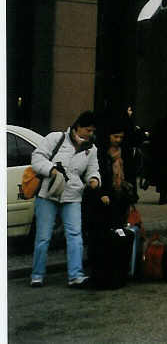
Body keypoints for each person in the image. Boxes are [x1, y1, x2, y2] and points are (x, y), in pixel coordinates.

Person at [30, 110, 101, 288]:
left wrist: (94, 179)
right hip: (48, 193)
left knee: (75, 235)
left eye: (93, 131)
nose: (91, 134)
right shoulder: (56, 138)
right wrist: (51, 170)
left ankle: (75, 275)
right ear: (78, 127)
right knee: (43, 237)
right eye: (88, 130)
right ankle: (37, 275)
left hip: (73, 195)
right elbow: (37, 158)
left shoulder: (91, 149)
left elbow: (93, 169)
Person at [86, 117, 138, 276]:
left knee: (119, 229)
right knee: (102, 231)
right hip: (104, 198)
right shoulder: (101, 152)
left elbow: (130, 174)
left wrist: (131, 193)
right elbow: (97, 174)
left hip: (120, 197)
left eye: (120, 137)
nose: (118, 140)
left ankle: (116, 263)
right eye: (115, 137)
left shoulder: (125, 152)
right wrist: (102, 193)